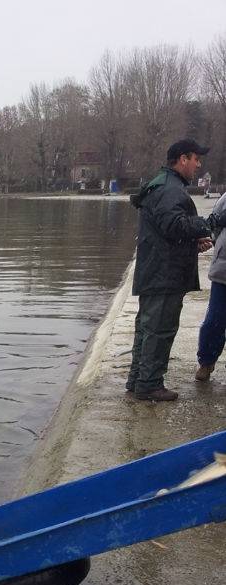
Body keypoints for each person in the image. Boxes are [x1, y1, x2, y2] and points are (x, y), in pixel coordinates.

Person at [126, 139, 216, 402]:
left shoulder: (162, 184)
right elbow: (174, 225)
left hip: (155, 270)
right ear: (182, 159)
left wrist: (192, 241)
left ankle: (138, 380)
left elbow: (167, 229)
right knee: (160, 329)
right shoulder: (170, 189)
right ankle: (149, 385)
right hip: (164, 275)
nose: (199, 165)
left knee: (146, 328)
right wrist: (207, 224)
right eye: (196, 159)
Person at [195, 190, 226, 382]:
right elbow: (214, 222)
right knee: (214, 320)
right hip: (224, 271)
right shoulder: (225, 199)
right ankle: (206, 362)